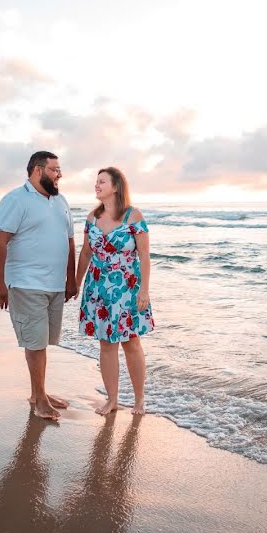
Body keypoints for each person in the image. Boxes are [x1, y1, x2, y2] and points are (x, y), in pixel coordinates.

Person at [0, 151, 77, 421]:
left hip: (55, 284)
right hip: (27, 282)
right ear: (38, 171)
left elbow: (70, 241)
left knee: (42, 341)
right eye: (55, 169)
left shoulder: (61, 200)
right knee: (36, 342)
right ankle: (40, 399)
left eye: (59, 169)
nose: (59, 174)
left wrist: (71, 279)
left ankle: (38, 392)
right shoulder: (16, 199)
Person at [75, 167, 154, 415]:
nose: (96, 185)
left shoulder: (134, 216)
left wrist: (144, 290)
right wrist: (76, 283)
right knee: (106, 343)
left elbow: (144, 255)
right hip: (97, 287)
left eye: (102, 182)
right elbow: (86, 252)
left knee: (131, 342)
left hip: (128, 287)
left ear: (116, 186)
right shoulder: (92, 217)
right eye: (96, 182)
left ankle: (139, 400)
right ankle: (112, 400)